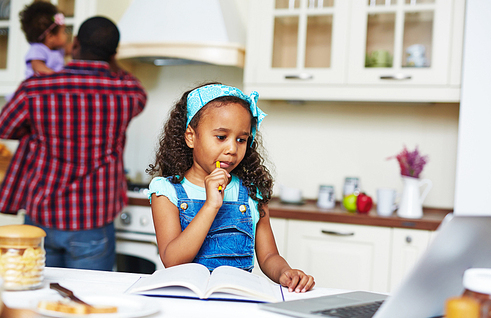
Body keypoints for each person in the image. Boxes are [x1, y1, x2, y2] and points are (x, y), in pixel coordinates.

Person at [0, 17, 147, 271]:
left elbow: (5, 127)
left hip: (42, 216)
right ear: (113, 54)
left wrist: (36, 128)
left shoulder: (36, 89)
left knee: (39, 297)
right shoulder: (126, 92)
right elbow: (137, 89)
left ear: (75, 43)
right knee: (87, 301)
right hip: (93, 221)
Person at [146, 83, 315, 293]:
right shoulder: (166, 191)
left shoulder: (252, 192)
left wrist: (284, 272)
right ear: (191, 136)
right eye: (221, 137)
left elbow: (269, 256)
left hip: (238, 300)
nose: (232, 149)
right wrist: (210, 206)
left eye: (241, 140)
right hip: (186, 301)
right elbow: (172, 261)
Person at [19, 1, 69, 77]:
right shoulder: (38, 49)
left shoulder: (57, 50)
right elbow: (38, 67)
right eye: (63, 32)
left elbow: (71, 48)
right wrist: (57, 77)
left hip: (52, 85)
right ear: (50, 37)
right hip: (38, 86)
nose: (66, 35)